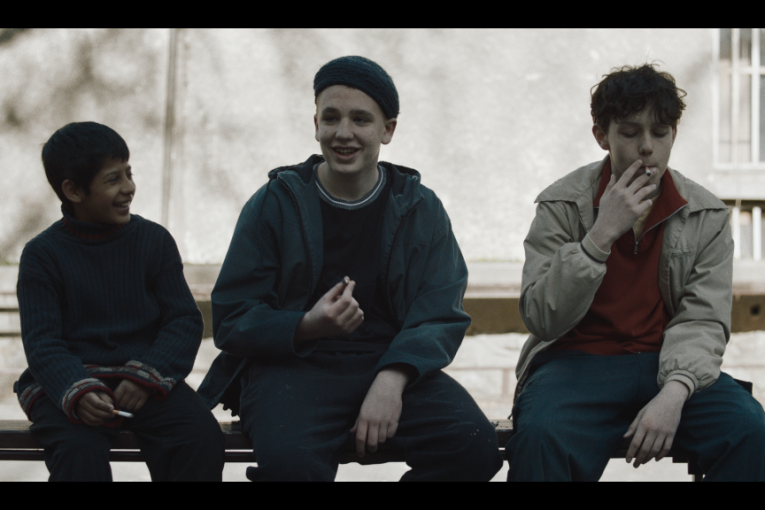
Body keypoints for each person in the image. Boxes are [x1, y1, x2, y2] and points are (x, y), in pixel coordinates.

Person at [197, 55, 503, 482]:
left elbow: (439, 313)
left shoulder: (419, 207)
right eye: (331, 118)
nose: (343, 133)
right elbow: (233, 318)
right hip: (290, 370)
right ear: (316, 124)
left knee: (473, 449)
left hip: (390, 364)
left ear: (387, 130)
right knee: (290, 467)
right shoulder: (275, 203)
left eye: (360, 119)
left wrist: (392, 379)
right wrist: (307, 324)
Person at [505, 63, 765, 481]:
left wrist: (675, 392)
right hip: (575, 362)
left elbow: (704, 320)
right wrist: (600, 235)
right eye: (629, 133)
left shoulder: (706, 213)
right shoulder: (561, 204)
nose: (647, 147)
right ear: (601, 136)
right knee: (539, 436)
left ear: (673, 134)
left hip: (670, 363)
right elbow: (541, 316)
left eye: (660, 133)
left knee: (750, 430)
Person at [14, 121, 224, 481]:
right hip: (69, 383)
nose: (128, 187)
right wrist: (78, 391)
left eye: (129, 173)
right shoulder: (42, 255)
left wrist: (146, 377)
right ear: (73, 190)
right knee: (78, 452)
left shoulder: (154, 241)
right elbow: (43, 342)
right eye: (113, 179)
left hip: (145, 379)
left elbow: (183, 320)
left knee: (199, 437)